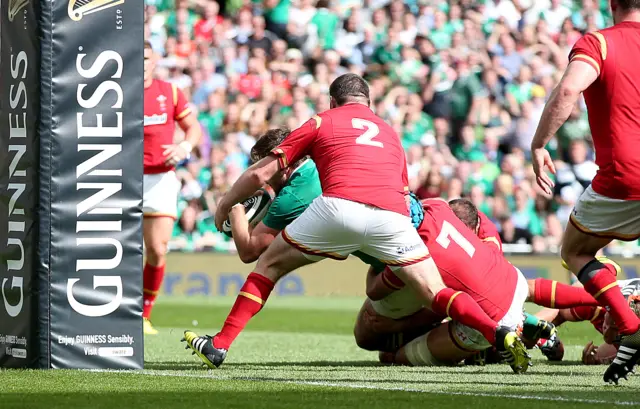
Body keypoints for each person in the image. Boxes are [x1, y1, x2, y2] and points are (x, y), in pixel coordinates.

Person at [182, 74, 529, 371]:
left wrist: (225, 203)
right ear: (369, 101)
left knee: (268, 266)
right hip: (392, 217)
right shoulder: (391, 133)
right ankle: (498, 332)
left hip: (339, 207)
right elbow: (403, 191)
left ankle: (220, 344)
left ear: (333, 101)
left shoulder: (322, 120)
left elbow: (262, 172)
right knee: (437, 293)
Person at [530, 0, 640, 383]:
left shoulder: (599, 44)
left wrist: (540, 144)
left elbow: (568, 92)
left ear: (613, 5)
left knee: (575, 251)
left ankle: (628, 323)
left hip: (625, 177)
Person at [142, 41, 202, 334]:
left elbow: (194, 127)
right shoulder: (117, 90)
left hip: (161, 178)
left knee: (157, 248)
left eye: (146, 58)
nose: (141, 64)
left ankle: (143, 314)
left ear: (154, 61)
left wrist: (184, 147)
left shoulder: (170, 92)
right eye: (136, 58)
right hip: (120, 178)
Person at [229, 128, 321, 263]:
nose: (265, 180)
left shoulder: (291, 196)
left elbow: (248, 252)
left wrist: (236, 208)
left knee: (267, 265)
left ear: (282, 167)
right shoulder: (314, 166)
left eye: (266, 171)